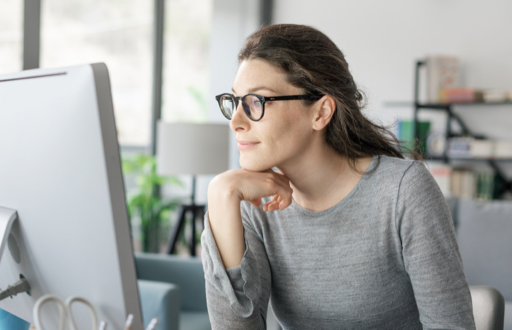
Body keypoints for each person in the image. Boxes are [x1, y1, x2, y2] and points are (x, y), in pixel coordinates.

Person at [200, 24, 475, 329]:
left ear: (320, 112)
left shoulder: (403, 192)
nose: (236, 121)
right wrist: (221, 195)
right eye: (235, 101)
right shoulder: (254, 204)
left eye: (256, 102)